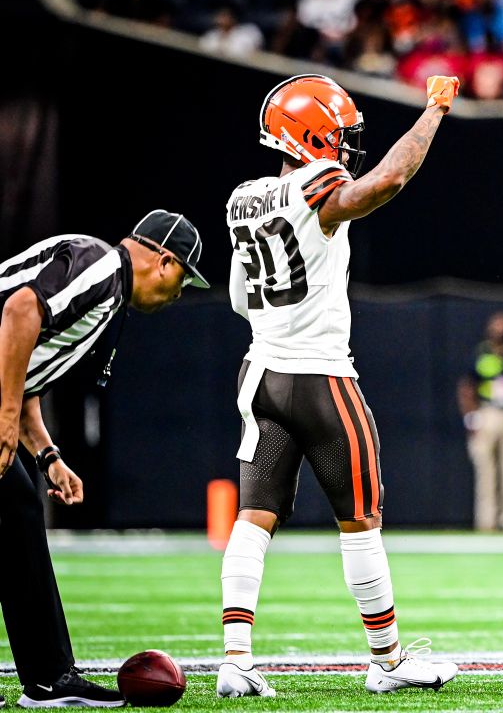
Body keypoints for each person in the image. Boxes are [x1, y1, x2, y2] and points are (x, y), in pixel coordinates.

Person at [215, 72, 461, 698]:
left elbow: (242, 299)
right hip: (320, 374)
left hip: (261, 371)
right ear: (309, 133)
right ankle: (385, 660)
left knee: (253, 517)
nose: (347, 146)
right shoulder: (315, 185)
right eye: (339, 133)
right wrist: (433, 112)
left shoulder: (244, 197)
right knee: (361, 520)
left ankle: (235, 660)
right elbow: (389, 180)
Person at [0, 210, 209, 708]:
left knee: (20, 514)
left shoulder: (110, 296)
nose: (180, 292)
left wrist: (48, 454)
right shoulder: (101, 264)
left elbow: (23, 372)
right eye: (182, 278)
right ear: (163, 260)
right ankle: (49, 675)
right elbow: (19, 312)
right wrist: (5, 415)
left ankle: (49, 678)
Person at [458, 311, 503, 532]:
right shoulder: (481, 353)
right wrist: (471, 417)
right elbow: (466, 387)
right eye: (497, 325)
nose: (501, 330)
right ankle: (486, 522)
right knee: (485, 472)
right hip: (488, 412)